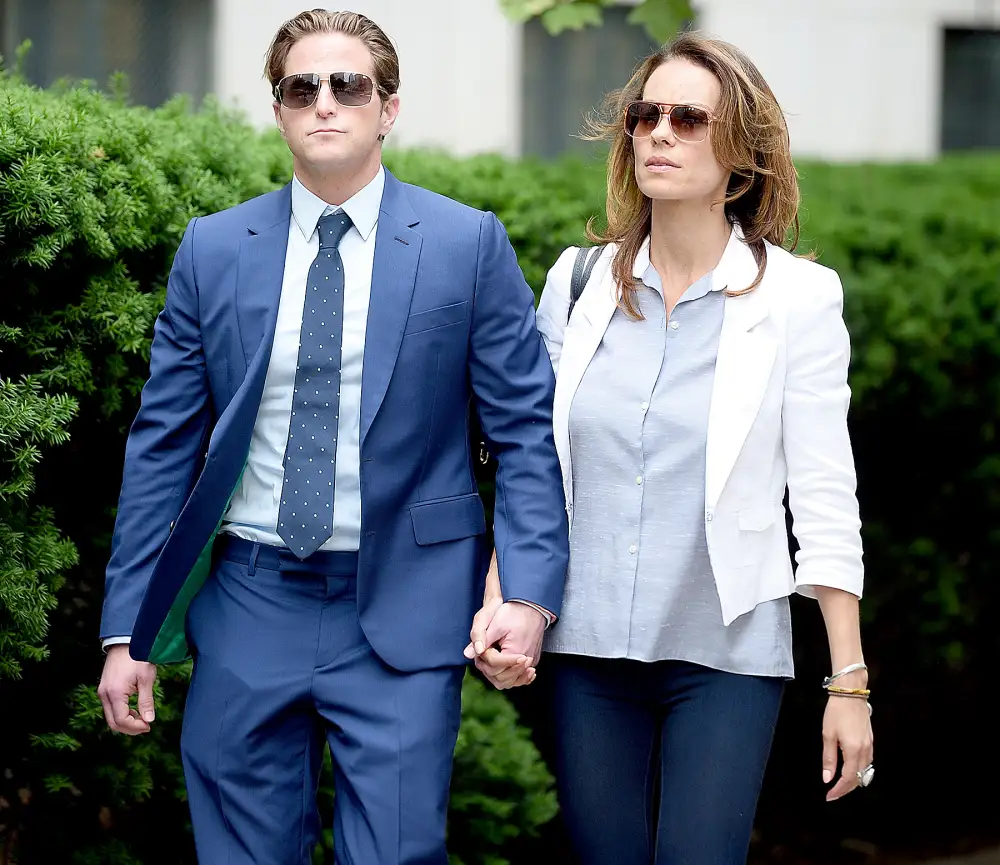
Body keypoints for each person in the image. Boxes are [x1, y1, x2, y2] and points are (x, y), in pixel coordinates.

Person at [96, 9, 567, 864]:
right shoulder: (213, 249)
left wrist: (527, 594)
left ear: (387, 108)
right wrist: (130, 629)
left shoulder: (467, 244)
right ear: (278, 110)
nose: (324, 103)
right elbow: (162, 445)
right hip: (248, 599)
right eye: (300, 87)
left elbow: (527, 434)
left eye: (348, 85)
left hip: (407, 606)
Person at [468, 31, 874, 864]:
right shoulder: (578, 284)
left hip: (725, 652)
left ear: (741, 157)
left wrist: (850, 682)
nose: (658, 132)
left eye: (689, 118)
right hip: (585, 646)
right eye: (645, 115)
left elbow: (826, 495)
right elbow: (532, 464)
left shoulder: (798, 298)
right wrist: (503, 596)